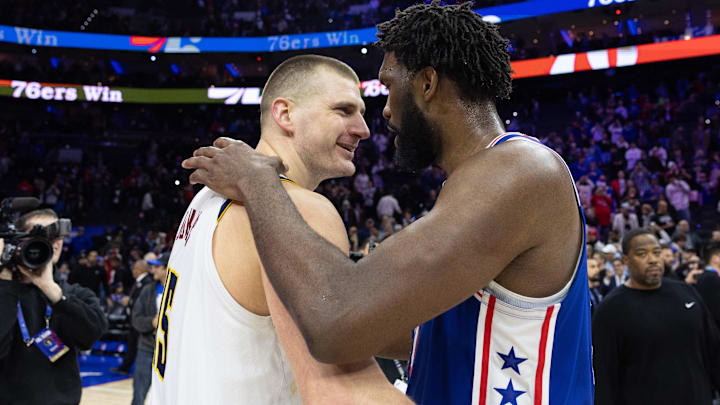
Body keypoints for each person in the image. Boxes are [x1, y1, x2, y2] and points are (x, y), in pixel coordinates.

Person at [183, 3, 593, 404]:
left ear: (427, 84)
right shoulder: (473, 187)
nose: (383, 113)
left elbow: (336, 324)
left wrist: (260, 182)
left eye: (389, 87)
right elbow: (415, 331)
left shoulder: (521, 170)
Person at [150, 55, 412, 405]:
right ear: (285, 114)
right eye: (344, 110)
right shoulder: (299, 208)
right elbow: (340, 392)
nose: (364, 128)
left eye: (361, 112)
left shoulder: (205, 200)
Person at [592, 228, 720, 404]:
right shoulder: (610, 310)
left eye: (657, 252)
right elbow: (605, 377)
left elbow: (713, 351)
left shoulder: (686, 293)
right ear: (626, 260)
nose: (652, 260)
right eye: (642, 254)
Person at [0, 209, 107, 404]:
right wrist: (5, 281)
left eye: (58, 236)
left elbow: (92, 334)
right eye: (43, 235)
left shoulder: (75, 294)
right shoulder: (4, 290)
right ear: (16, 241)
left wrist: (53, 292)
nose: (55, 242)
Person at [131, 254, 168, 405]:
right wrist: (151, 322)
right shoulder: (148, 290)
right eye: (152, 266)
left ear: (168, 268)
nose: (153, 270)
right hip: (147, 349)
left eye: (157, 266)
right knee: (139, 395)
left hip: (171, 352)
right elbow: (136, 319)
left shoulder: (182, 291)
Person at [111, 258, 152, 375]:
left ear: (140, 269)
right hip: (134, 319)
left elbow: (143, 301)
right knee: (132, 344)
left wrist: (129, 301)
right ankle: (125, 367)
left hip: (140, 320)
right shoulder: (139, 282)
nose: (133, 271)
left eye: (134, 268)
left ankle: (130, 367)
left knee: (138, 345)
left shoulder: (146, 282)